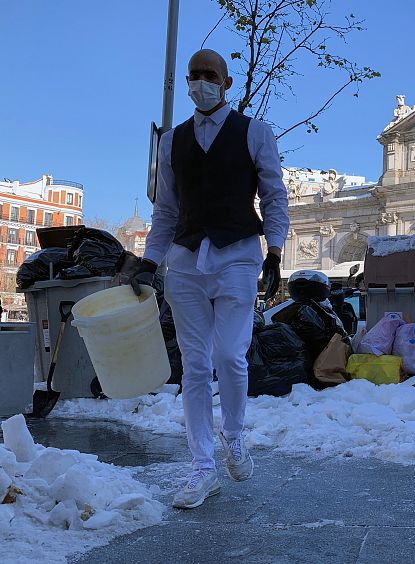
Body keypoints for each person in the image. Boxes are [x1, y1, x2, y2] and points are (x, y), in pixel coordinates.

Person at [126, 49, 288, 509]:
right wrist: (150, 260)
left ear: (227, 82)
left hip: (238, 255)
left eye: (209, 75)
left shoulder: (255, 133)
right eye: (193, 76)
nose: (200, 82)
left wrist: (274, 251)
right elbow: (166, 211)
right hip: (185, 259)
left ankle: (233, 436)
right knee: (195, 366)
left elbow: (275, 196)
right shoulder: (172, 141)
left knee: (229, 355)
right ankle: (202, 468)